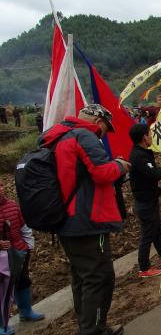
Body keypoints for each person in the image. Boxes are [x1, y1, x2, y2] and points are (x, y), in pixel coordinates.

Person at [38, 104, 130, 335]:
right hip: (87, 221)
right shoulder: (84, 135)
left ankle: (87, 326)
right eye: (104, 128)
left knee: (81, 277)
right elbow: (102, 173)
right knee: (100, 277)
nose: (103, 133)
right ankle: (94, 330)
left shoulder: (56, 136)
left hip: (65, 219)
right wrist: (120, 165)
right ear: (98, 120)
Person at [128, 124, 161, 278]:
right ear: (144, 137)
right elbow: (153, 174)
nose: (151, 137)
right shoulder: (139, 156)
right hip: (144, 202)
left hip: (150, 199)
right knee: (147, 235)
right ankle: (144, 268)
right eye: (149, 134)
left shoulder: (143, 152)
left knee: (156, 230)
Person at [0, 180, 45, 334]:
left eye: (0, 185)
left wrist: (28, 245)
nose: (0, 188)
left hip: (19, 252)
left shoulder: (12, 205)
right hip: (1, 257)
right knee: (2, 289)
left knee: (22, 281)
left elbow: (23, 226)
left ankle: (26, 312)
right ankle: (2, 325)